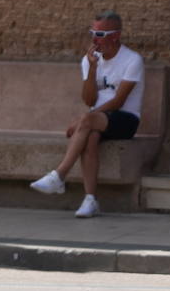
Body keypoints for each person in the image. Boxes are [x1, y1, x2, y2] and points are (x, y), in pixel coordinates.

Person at [29, 11, 144, 218]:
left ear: (116, 35)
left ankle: (59, 175)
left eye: (100, 34)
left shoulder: (132, 59)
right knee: (90, 138)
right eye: (93, 32)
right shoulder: (89, 60)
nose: (94, 39)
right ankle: (90, 200)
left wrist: (84, 119)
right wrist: (92, 69)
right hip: (96, 120)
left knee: (88, 121)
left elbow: (118, 102)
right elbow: (89, 101)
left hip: (125, 119)